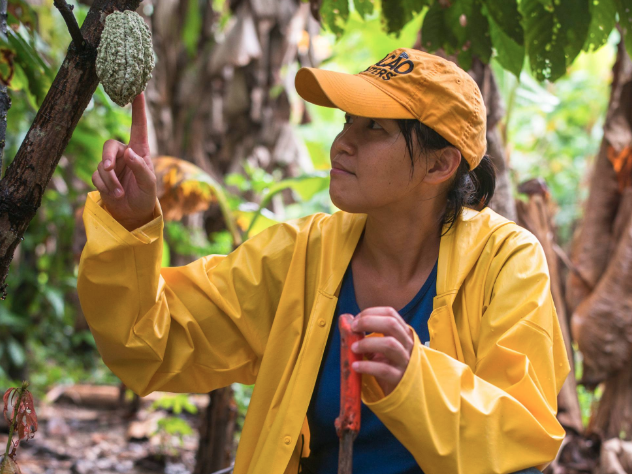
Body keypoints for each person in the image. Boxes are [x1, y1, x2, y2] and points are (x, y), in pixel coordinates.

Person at [78, 48, 570, 474]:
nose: (342, 144)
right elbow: (152, 343)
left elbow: (522, 443)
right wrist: (131, 226)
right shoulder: (301, 255)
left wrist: (416, 382)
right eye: (346, 122)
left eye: (374, 128)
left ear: (440, 164)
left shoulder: (507, 262)